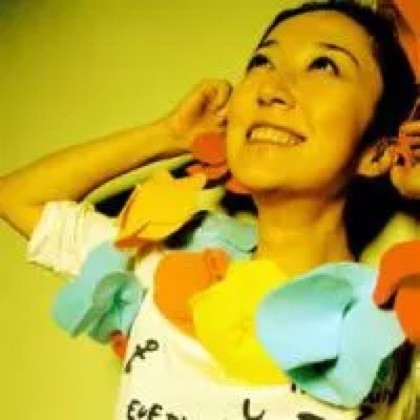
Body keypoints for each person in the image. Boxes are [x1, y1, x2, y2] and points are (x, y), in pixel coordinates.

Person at [1, 1, 420, 419]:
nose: (270, 88)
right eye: (262, 62)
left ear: (378, 151)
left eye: (324, 66)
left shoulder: (394, 337)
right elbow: (17, 196)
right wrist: (168, 136)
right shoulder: (162, 271)